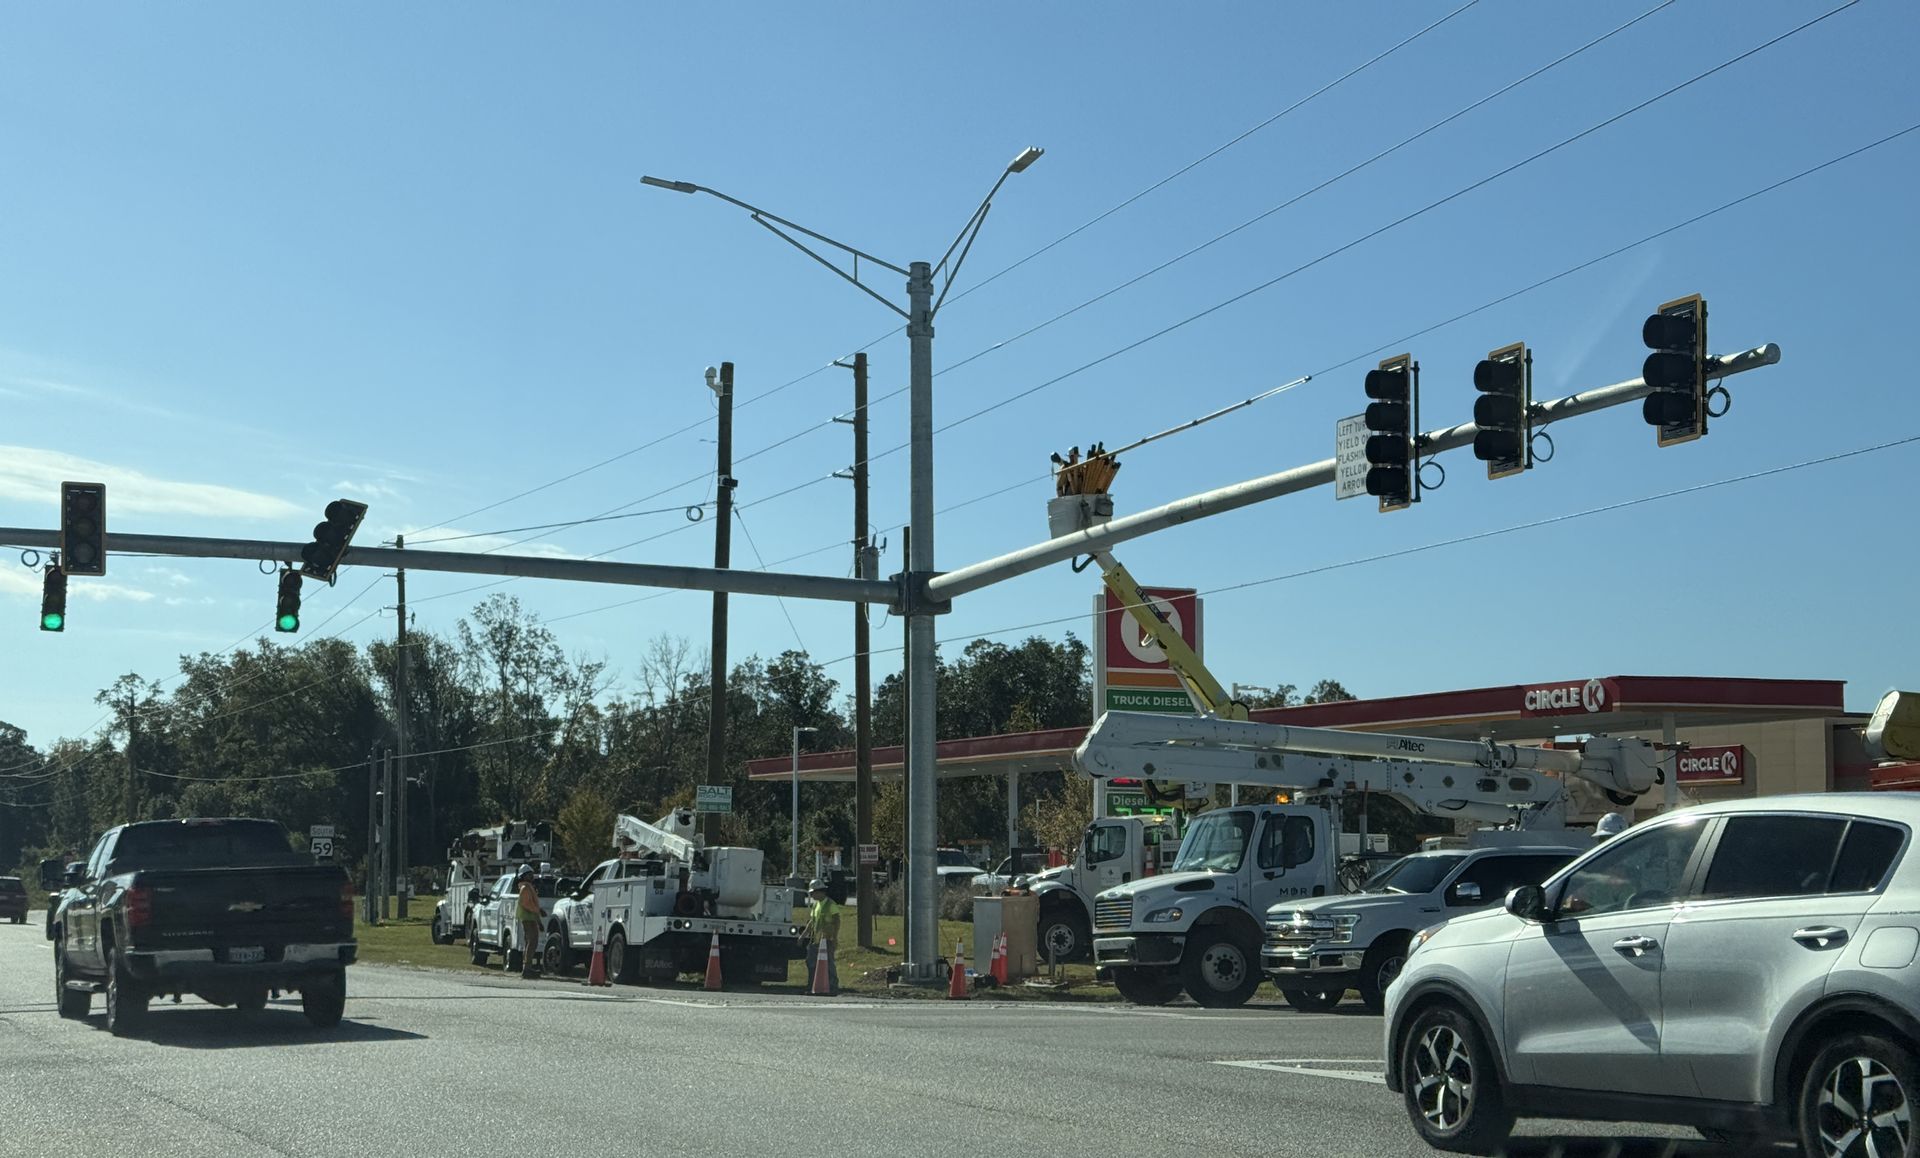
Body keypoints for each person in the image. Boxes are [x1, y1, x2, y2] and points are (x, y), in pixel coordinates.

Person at [801, 878, 841, 996]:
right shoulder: (815, 906)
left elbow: (837, 921)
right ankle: (813, 985)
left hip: (827, 939)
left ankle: (833, 986)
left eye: (813, 892)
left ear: (820, 891)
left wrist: (834, 937)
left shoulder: (830, 905)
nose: (811, 895)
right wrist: (803, 936)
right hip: (815, 940)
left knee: (829, 963)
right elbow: (812, 922)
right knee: (811, 963)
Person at [514, 865, 544, 980]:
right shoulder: (525, 888)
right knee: (531, 943)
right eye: (529, 874)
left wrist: (539, 919)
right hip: (527, 918)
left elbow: (532, 904)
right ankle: (527, 968)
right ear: (524, 876)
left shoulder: (528, 887)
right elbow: (526, 904)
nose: (532, 876)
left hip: (531, 918)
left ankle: (527, 967)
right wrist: (538, 911)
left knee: (531, 942)